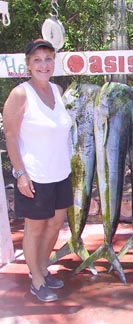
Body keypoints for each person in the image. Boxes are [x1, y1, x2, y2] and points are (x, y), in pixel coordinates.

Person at [3, 39, 73, 302]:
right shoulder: (21, 94)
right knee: (35, 228)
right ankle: (36, 280)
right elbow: (10, 136)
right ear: (28, 65)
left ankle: (43, 268)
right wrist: (20, 173)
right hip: (34, 175)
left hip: (60, 173)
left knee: (55, 224)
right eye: (37, 60)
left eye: (48, 59)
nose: (43, 64)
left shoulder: (57, 89)